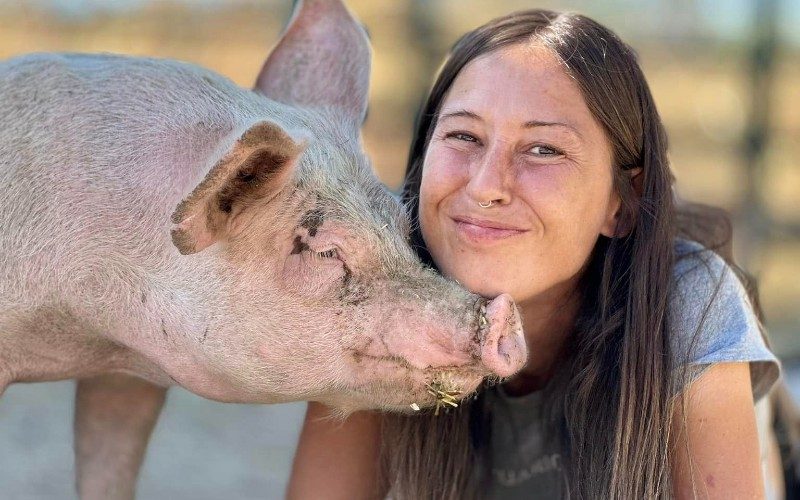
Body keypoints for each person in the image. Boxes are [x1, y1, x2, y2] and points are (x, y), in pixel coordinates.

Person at [286, 9, 781, 499]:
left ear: (622, 203)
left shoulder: (687, 301)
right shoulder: (374, 297)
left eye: (543, 149)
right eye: (463, 136)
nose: (485, 187)